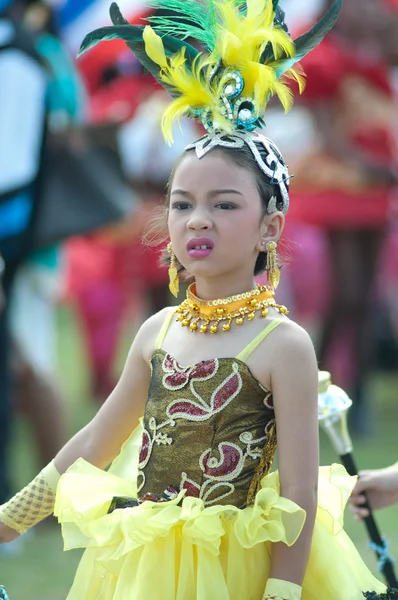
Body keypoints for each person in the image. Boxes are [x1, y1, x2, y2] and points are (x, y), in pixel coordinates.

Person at [0, 1, 395, 598]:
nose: (197, 220)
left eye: (225, 204)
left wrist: (282, 592)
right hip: (148, 567)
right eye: (182, 204)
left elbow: (299, 493)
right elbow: (93, 443)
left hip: (239, 572)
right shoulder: (157, 330)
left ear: (270, 227)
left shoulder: (282, 344)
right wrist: (11, 518)